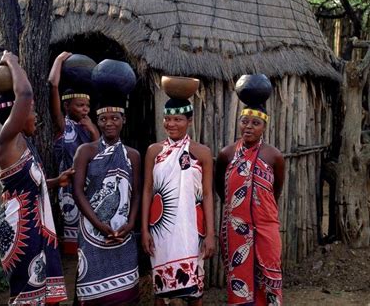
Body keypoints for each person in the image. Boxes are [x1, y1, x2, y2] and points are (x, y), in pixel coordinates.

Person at [0, 51, 71, 305]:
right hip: (22, 231)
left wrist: (56, 181)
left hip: (35, 228)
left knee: (47, 297)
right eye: (32, 111)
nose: (36, 116)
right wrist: (11, 60)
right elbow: (24, 94)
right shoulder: (7, 141)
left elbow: (28, 189)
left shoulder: (24, 144)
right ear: (14, 115)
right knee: (28, 297)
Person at [216, 77, 285, 306]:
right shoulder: (226, 154)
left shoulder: (274, 156)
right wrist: (240, 210)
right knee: (240, 277)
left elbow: (276, 192)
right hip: (237, 227)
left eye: (255, 123)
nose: (249, 127)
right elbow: (222, 189)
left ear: (264, 126)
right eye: (245, 121)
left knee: (269, 275)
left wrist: (258, 208)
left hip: (266, 225)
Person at [141, 98, 216, 305]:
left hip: (192, 228)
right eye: (167, 119)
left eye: (178, 119)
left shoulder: (202, 152)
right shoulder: (154, 151)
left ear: (189, 121)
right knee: (161, 290)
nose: (171, 124)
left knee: (195, 290)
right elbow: (147, 190)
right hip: (160, 229)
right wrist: (145, 230)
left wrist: (210, 234)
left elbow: (208, 194)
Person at [72, 80, 141, 304]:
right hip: (92, 233)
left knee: (125, 295)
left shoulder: (132, 155)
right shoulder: (86, 151)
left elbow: (137, 193)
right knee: (92, 293)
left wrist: (130, 224)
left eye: (115, 118)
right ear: (97, 122)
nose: (109, 123)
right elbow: (77, 192)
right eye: (103, 119)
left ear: (124, 121)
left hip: (123, 234)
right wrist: (99, 225)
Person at [48, 51, 99, 254]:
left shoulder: (91, 128)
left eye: (87, 105)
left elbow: (101, 154)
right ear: (66, 106)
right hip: (69, 189)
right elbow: (53, 84)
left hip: (91, 187)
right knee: (73, 248)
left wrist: (94, 130)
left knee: (93, 239)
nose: (85, 109)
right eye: (79, 105)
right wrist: (59, 60)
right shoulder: (63, 126)